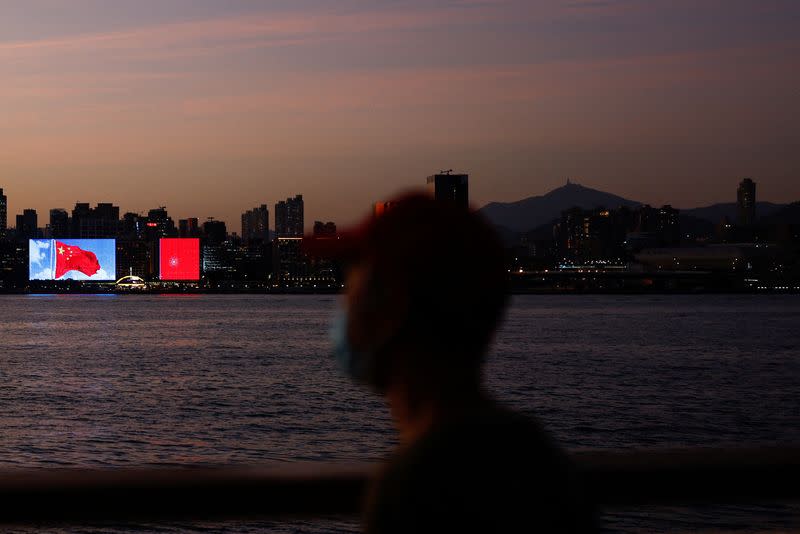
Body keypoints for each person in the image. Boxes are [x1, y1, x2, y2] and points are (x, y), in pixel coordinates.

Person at [306, 192, 597, 533]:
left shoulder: (416, 482)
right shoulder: (537, 457)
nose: (345, 302)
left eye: (354, 283)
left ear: (392, 309)